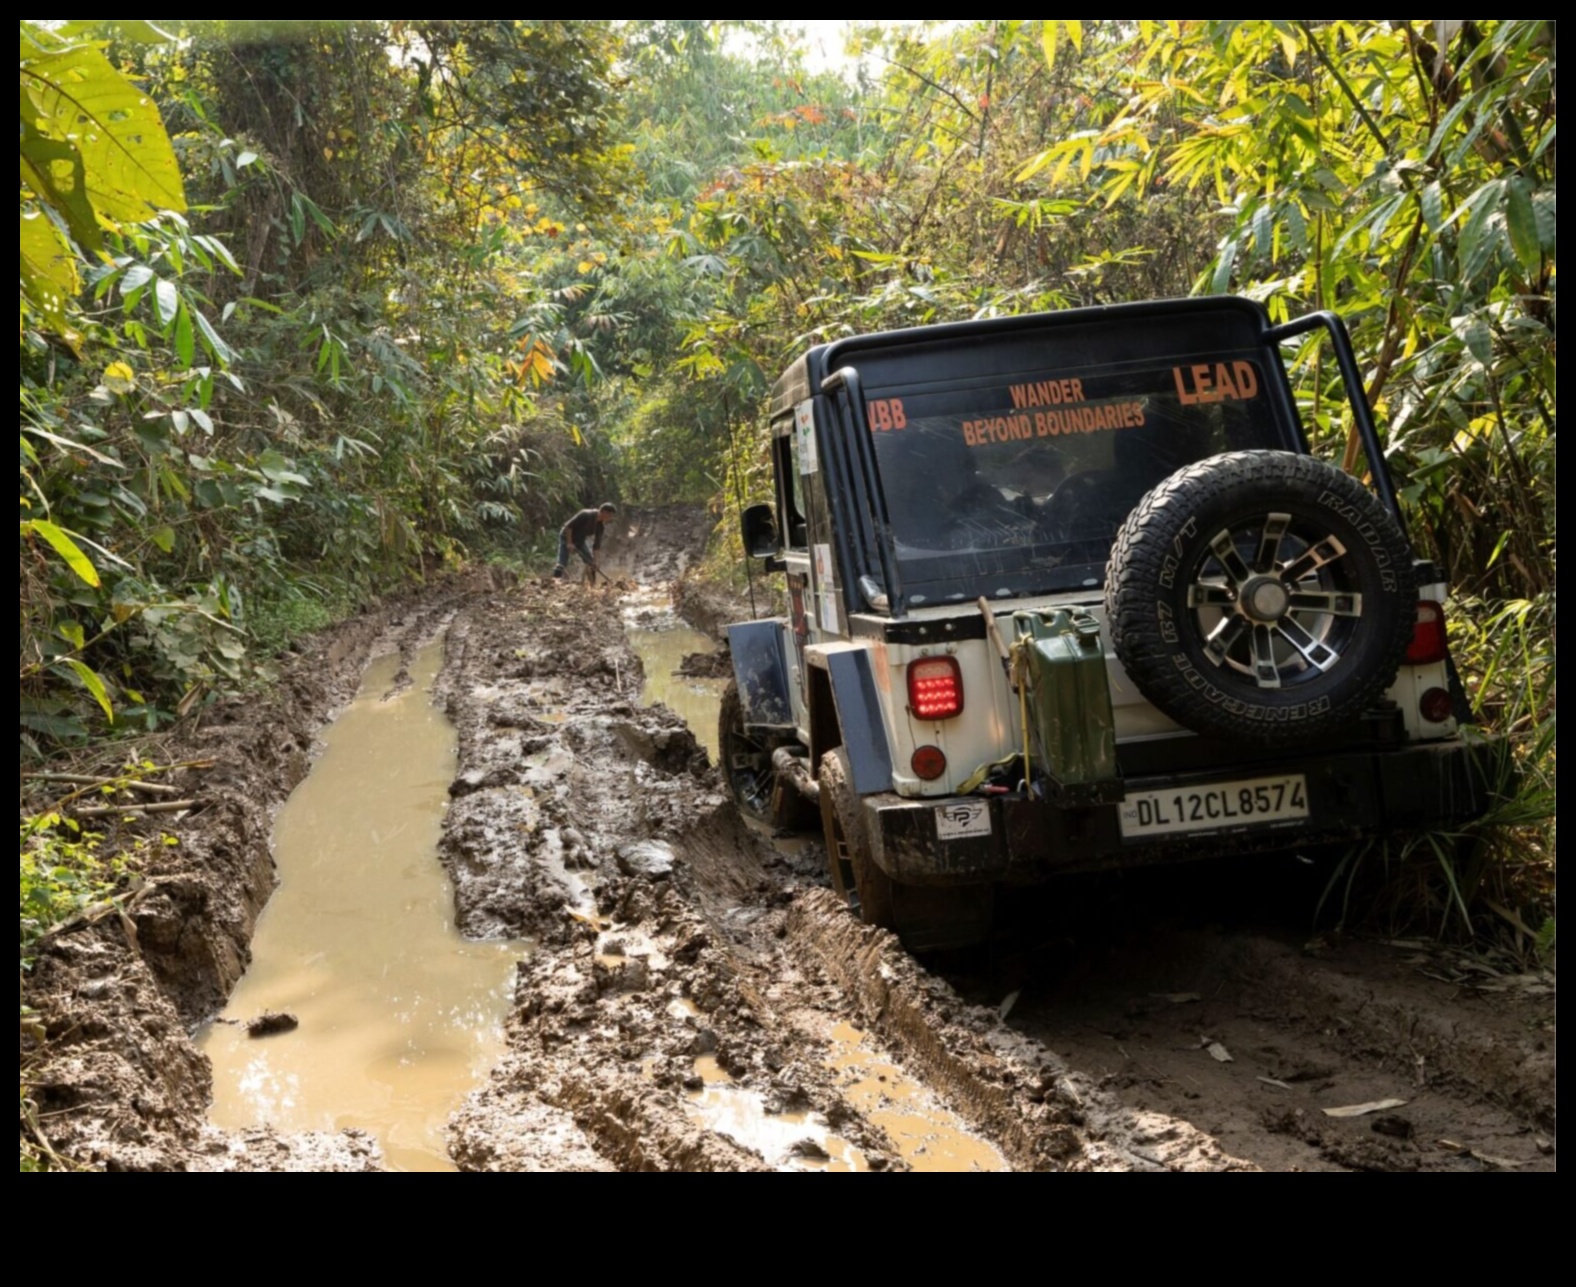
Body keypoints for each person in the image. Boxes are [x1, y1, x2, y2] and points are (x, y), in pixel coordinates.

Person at [553, 502, 617, 580]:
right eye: (610, 515)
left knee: (591, 564)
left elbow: (596, 546)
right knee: (561, 563)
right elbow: (569, 527)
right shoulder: (586, 514)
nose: (610, 518)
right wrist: (569, 543)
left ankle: (592, 586)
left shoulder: (600, 526)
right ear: (604, 512)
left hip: (580, 540)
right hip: (566, 536)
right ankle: (554, 583)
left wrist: (597, 561)